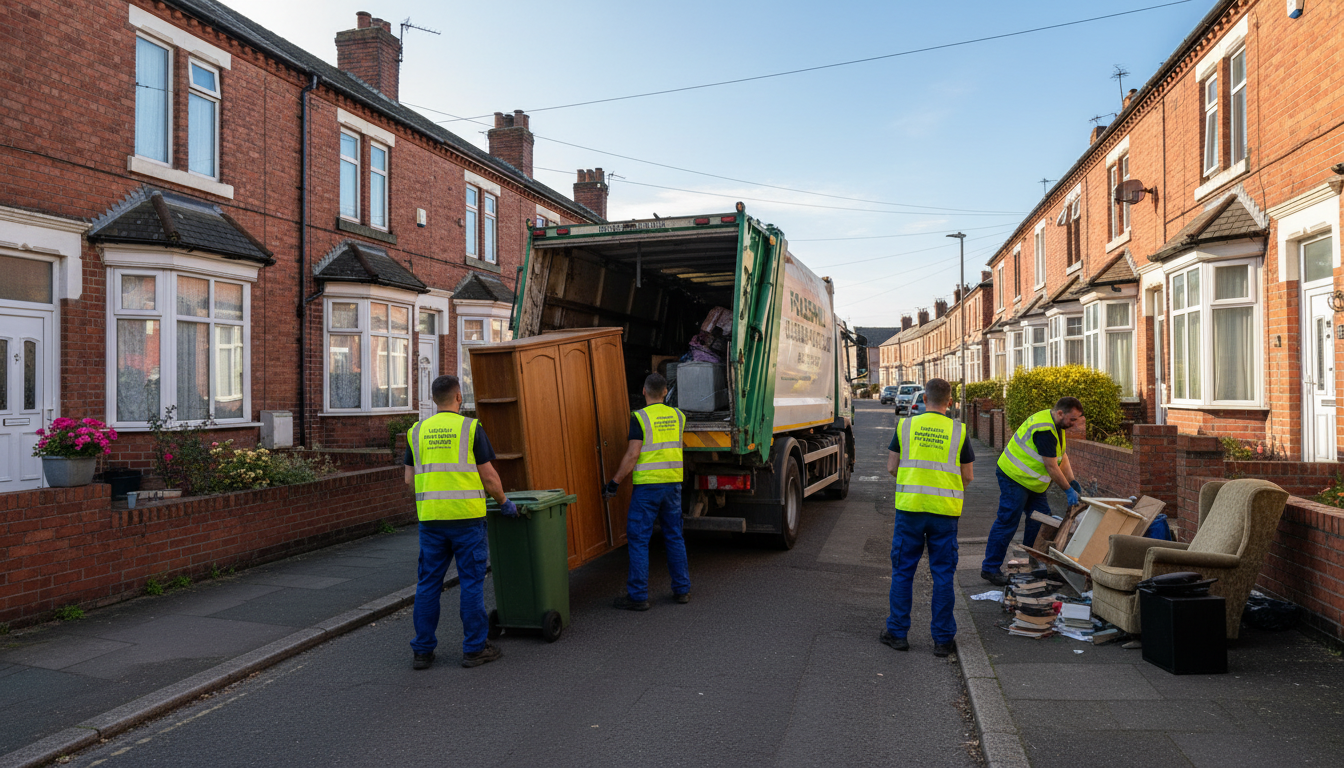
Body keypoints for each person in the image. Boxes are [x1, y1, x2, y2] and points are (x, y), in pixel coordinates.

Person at [405, 374, 518, 670]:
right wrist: (505, 503)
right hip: (467, 519)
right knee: (470, 583)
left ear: (433, 399)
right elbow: (489, 477)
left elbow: (409, 480)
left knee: (428, 584)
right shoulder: (470, 428)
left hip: (431, 520)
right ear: (459, 397)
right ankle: (474, 649)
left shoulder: (417, 431)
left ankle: (423, 652)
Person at [880, 378, 974, 657]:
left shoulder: (906, 426)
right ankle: (943, 641)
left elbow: (891, 467)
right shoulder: (959, 431)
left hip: (910, 509)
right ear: (950, 402)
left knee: (903, 571)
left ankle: (897, 634)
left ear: (923, 399)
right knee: (943, 574)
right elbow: (967, 476)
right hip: (944, 513)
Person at [603, 373, 690, 610]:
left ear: (643, 391)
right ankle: (681, 590)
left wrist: (615, 482)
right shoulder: (678, 416)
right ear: (665, 392)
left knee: (639, 539)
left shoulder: (639, 418)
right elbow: (679, 445)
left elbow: (633, 454)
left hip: (648, 487)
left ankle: (639, 596)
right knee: (674, 536)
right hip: (672, 485)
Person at [980, 397, 1085, 587]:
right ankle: (990, 569)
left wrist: (1072, 481)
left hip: (1033, 483)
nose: (1074, 423)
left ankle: (1032, 563)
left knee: (1040, 521)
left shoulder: (1054, 423)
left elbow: (1062, 457)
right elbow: (1052, 467)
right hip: (1014, 477)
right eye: (1072, 419)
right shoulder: (1045, 430)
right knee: (1008, 521)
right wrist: (1067, 490)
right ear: (1060, 413)